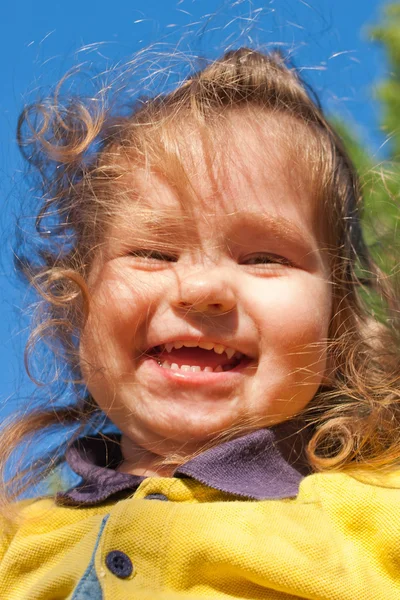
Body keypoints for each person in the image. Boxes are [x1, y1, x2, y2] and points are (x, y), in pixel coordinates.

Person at [1, 46, 400, 599]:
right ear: (77, 314)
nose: (204, 290)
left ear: (338, 331)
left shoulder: (380, 522)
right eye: (155, 253)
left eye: (265, 259)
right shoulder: (14, 542)